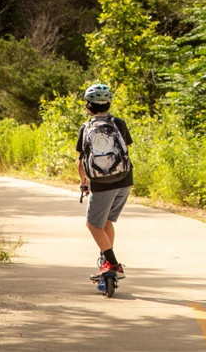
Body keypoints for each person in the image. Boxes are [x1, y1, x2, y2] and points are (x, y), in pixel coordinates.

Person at [76, 83, 133, 279]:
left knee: (93, 224)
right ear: (109, 103)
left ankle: (113, 264)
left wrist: (84, 183)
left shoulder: (86, 128)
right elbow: (125, 151)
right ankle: (106, 258)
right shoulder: (119, 123)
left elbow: (81, 161)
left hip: (101, 183)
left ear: (87, 106)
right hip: (124, 180)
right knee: (107, 220)